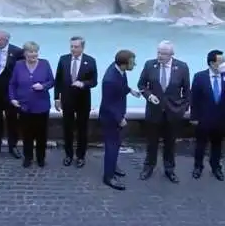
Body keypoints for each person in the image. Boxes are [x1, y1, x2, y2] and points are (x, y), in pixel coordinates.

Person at [137, 40, 191, 182]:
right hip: (154, 112)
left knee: (170, 143)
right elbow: (141, 84)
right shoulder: (150, 65)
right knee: (151, 142)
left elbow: (187, 91)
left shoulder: (182, 67)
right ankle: (148, 167)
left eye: (164, 53)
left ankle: (169, 169)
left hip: (173, 112)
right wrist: (149, 96)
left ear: (171, 54)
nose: (160, 56)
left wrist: (183, 109)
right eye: (158, 52)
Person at [190, 50, 225, 181]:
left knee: (217, 145)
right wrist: (194, 117)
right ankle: (198, 167)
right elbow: (194, 98)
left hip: (220, 119)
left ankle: (216, 167)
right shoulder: (199, 77)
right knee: (200, 144)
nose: (224, 64)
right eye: (221, 62)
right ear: (212, 63)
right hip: (203, 118)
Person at [98, 50, 140, 191]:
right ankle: (108, 177)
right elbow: (108, 103)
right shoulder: (110, 79)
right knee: (112, 147)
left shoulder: (118, 70)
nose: (134, 64)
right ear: (124, 64)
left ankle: (112, 166)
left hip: (115, 114)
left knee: (115, 145)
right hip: (110, 118)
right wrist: (119, 118)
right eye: (132, 62)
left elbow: (120, 86)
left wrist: (130, 90)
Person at [54, 36, 97, 168]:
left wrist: (83, 83)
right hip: (67, 100)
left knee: (82, 129)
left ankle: (80, 156)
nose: (73, 49)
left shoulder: (90, 61)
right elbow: (58, 81)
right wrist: (56, 98)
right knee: (67, 129)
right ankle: (68, 155)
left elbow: (94, 81)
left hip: (83, 101)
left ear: (82, 47)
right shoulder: (63, 59)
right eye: (72, 46)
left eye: (76, 47)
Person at [9, 41, 55, 168]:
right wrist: (12, 98)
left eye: (35, 51)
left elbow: (52, 81)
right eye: (30, 52)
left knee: (41, 134)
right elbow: (12, 84)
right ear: (25, 53)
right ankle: (28, 157)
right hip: (24, 106)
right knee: (27, 134)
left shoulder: (45, 64)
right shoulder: (18, 65)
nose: (33, 54)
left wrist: (43, 86)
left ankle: (41, 158)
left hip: (41, 106)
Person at [0, 30, 24, 160]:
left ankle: (13, 146)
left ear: (7, 40)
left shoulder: (17, 51)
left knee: (12, 120)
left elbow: (21, 72)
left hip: (11, 93)